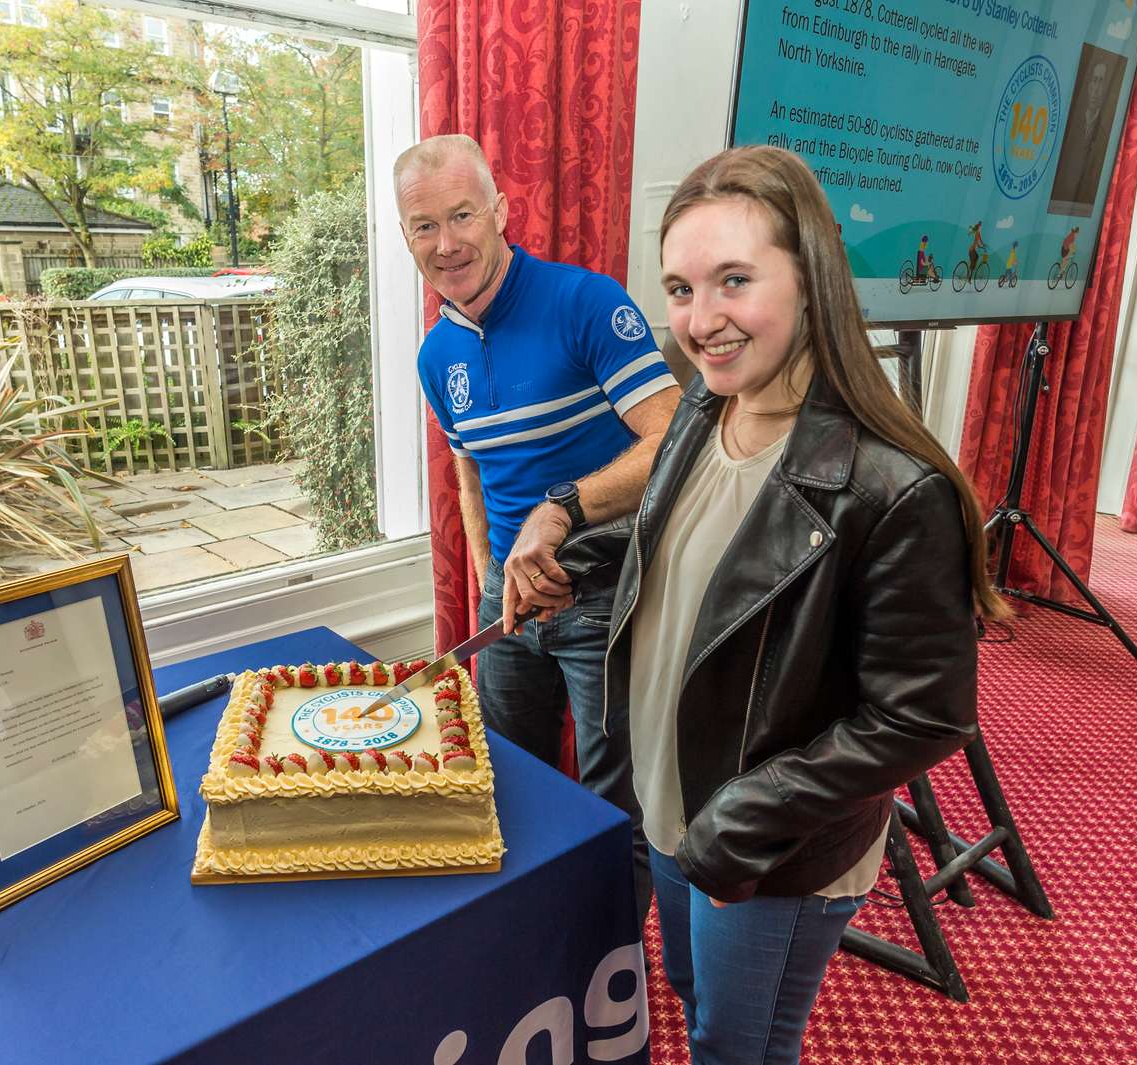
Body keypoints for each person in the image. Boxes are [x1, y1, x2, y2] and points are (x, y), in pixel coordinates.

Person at [603, 145, 1007, 1064]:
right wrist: (568, 543)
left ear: (812, 278)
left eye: (733, 280)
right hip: (672, 795)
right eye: (679, 288)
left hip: (770, 842)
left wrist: (742, 816)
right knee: (691, 993)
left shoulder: (895, 489)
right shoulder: (706, 411)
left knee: (736, 1046)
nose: (700, 320)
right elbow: (683, 554)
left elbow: (923, 715)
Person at [395, 134, 678, 922]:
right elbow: (468, 464)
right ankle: (527, 944)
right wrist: (488, 563)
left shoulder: (588, 302)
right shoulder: (434, 354)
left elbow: (672, 441)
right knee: (507, 785)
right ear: (405, 236)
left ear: (500, 211)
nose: (446, 242)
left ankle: (607, 975)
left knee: (617, 809)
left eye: (461, 215)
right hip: (509, 607)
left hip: (608, 593)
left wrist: (560, 509)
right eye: (423, 226)